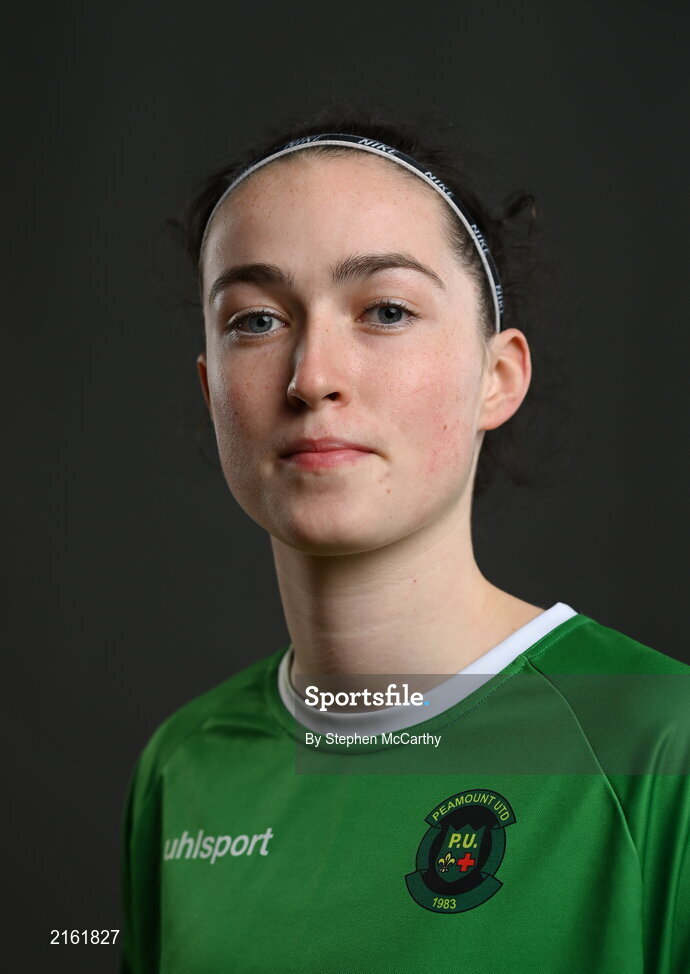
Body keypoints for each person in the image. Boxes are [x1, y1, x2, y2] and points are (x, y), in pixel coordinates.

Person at [120, 109, 689, 973]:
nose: (313, 377)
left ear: (497, 378)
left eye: (384, 309)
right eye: (255, 321)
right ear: (209, 390)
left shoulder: (663, 748)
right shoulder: (182, 769)